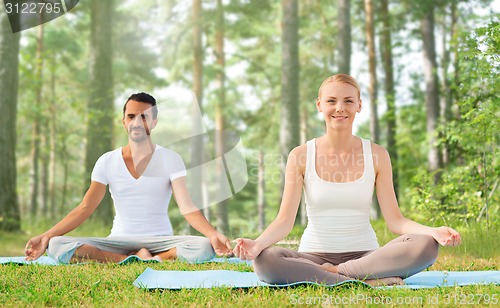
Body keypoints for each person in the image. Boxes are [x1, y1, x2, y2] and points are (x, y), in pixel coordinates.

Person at [233, 74, 461, 286]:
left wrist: (432, 231)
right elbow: (284, 221)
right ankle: (365, 281)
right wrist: (258, 244)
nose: (339, 108)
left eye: (348, 101)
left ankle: (336, 276)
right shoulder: (300, 155)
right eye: (331, 101)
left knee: (426, 245)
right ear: (319, 105)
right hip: (313, 256)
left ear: (359, 105)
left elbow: (395, 220)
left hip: (367, 256)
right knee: (266, 261)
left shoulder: (378, 154)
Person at [25, 92, 232, 264]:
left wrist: (213, 234)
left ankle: (152, 257)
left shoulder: (171, 159)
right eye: (131, 116)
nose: (137, 123)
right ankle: (129, 258)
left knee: (204, 246)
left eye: (144, 117)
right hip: (118, 239)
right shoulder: (106, 161)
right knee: (56, 245)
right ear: (124, 121)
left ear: (154, 121)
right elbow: (85, 208)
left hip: (161, 240)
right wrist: (46, 236)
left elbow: (187, 207)